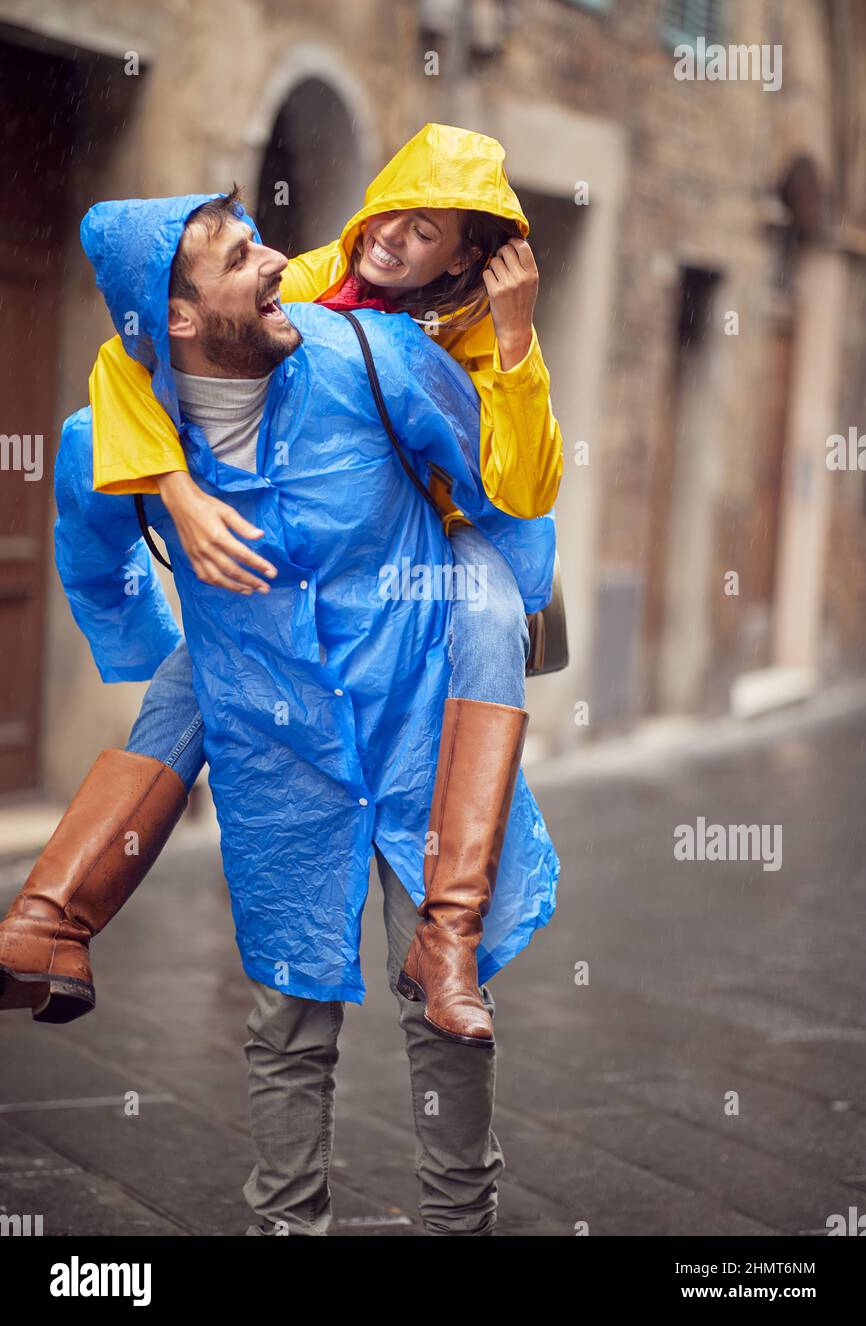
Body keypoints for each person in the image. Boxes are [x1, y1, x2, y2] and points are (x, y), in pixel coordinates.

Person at [1, 191, 560, 1234]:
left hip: (415, 724)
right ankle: (284, 1224)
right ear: (174, 318)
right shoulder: (109, 445)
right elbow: (97, 565)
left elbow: (504, 489)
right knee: (287, 1012)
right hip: (277, 754)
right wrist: (184, 664)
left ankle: (456, 1223)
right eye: (238, 253)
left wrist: (492, 607)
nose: (279, 264)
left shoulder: (376, 358)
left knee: (441, 1007)